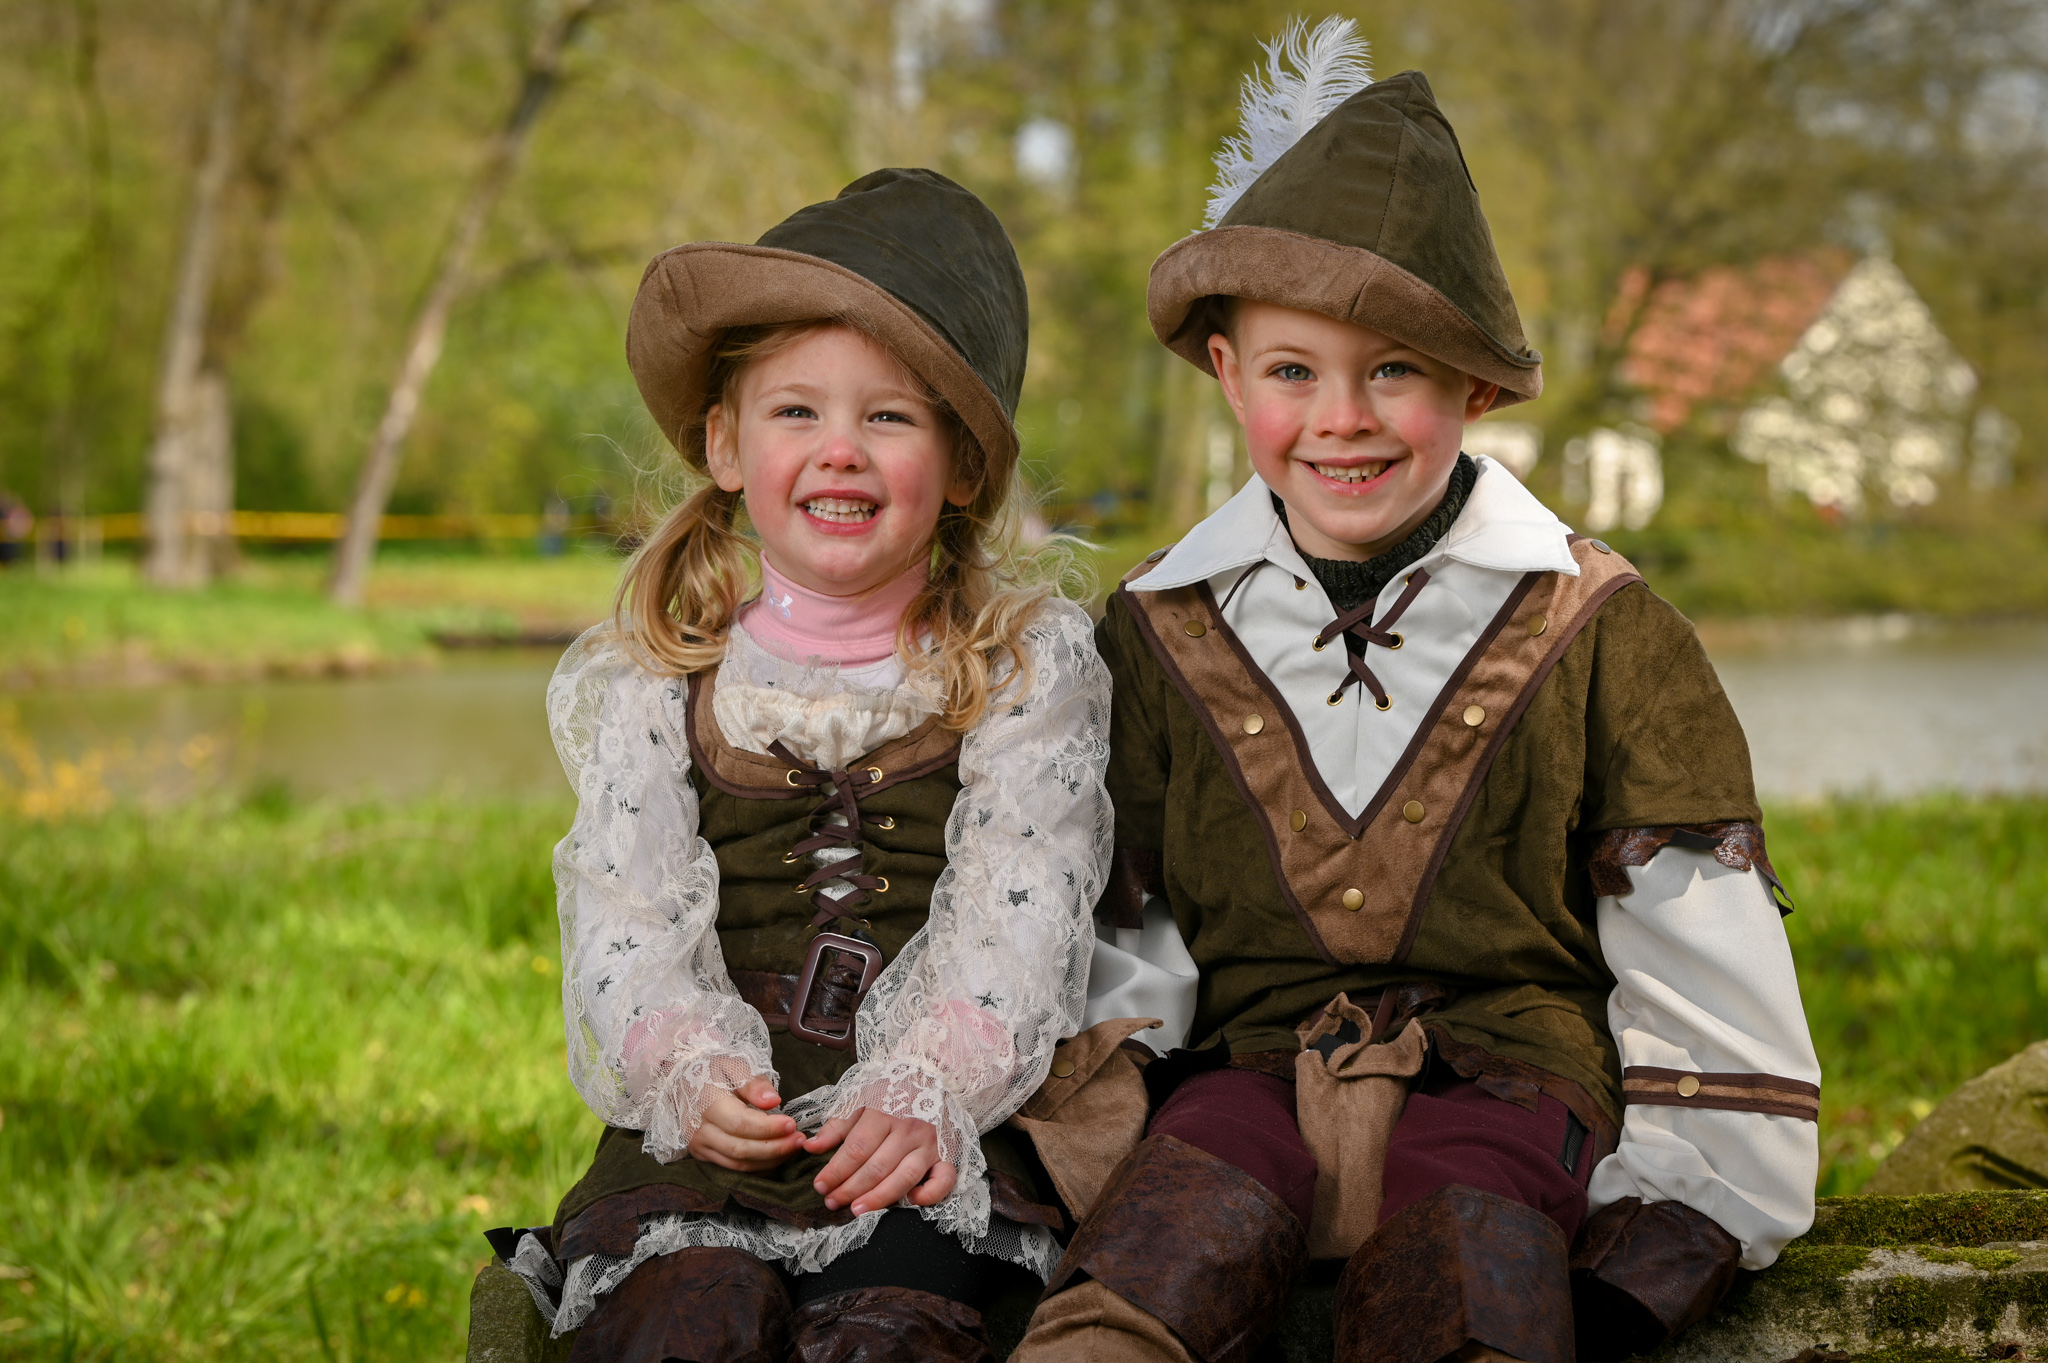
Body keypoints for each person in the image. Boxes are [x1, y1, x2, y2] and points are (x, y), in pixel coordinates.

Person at [1012, 22, 1820, 1363]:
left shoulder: (1605, 630)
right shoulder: (1152, 628)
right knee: (1155, 1254)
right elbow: (1125, 933)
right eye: (1292, 371)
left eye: (1392, 367)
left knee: (1469, 1260)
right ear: (1225, 371)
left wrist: (1682, 1216)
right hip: (1248, 1081)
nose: (1342, 418)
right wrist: (1085, 1131)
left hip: (1511, 1087)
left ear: (1474, 384)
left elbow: (1702, 966)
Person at [501, 168, 1114, 1362]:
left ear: (960, 464)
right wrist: (681, 1067)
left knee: (891, 1329)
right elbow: (622, 917)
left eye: (888, 417)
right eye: (797, 413)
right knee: (686, 1322)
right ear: (725, 443)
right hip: (720, 1131)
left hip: (926, 1129)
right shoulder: (653, 680)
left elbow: (1019, 904)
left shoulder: (1021, 669)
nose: (840, 451)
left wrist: (933, 1080)